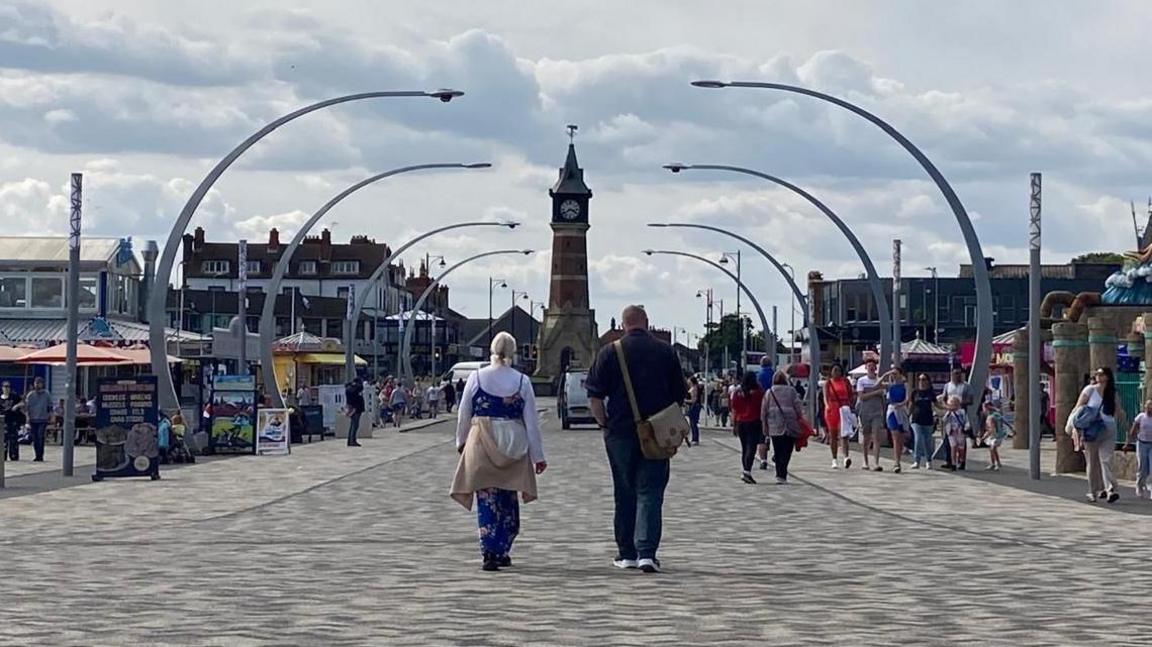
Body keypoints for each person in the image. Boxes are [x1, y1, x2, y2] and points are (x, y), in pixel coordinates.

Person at [587, 305, 686, 574]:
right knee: (651, 492)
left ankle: (626, 553)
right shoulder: (666, 352)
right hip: (656, 433)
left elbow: (594, 396)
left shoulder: (610, 351)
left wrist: (603, 422)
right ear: (647, 322)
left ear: (623, 323)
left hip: (619, 432)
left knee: (624, 491)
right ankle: (647, 553)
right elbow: (680, 395)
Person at [451, 332, 546, 572]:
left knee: (487, 498)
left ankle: (489, 550)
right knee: (507, 498)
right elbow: (532, 422)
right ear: (513, 352)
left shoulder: (476, 378)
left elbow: (464, 414)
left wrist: (461, 443)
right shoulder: (522, 381)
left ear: (491, 350)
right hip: (513, 443)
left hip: (482, 440)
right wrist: (538, 456)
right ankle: (502, 546)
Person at [1073, 366, 1123, 503]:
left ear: (1107, 376)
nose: (1097, 376)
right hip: (1092, 429)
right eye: (1096, 374)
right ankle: (1092, 491)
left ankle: (1111, 488)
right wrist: (1074, 426)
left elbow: (1119, 411)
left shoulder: (1112, 392)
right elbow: (1079, 407)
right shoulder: (1090, 390)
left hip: (1108, 429)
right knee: (1092, 461)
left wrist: (1128, 429)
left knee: (1106, 460)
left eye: (1100, 374)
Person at [761, 370, 804, 484]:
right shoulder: (791, 391)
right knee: (787, 450)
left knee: (778, 449)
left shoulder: (769, 392)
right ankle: (782, 473)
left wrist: (764, 425)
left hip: (774, 425)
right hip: (790, 424)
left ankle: (779, 473)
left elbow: (764, 410)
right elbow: (798, 406)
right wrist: (800, 418)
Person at [729, 371, 765, 483]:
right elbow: (762, 405)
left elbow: (734, 409)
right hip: (754, 421)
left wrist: (734, 425)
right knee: (751, 447)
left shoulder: (738, 392)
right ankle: (747, 471)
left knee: (744, 448)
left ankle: (745, 470)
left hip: (741, 422)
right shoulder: (758, 392)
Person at [855, 359, 886, 471]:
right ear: (866, 368)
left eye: (873, 366)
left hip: (877, 412)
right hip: (865, 411)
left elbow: (883, 397)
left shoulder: (879, 381)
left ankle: (876, 462)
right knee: (866, 437)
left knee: (877, 436)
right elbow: (861, 397)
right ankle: (865, 460)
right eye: (869, 366)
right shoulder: (861, 381)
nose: (871, 368)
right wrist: (875, 392)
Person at [940, 369, 974, 468]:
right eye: (954, 374)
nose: (956, 376)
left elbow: (971, 399)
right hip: (950, 412)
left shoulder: (966, 386)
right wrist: (947, 406)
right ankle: (949, 460)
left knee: (961, 441)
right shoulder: (947, 386)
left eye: (958, 374)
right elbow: (944, 398)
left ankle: (962, 461)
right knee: (948, 437)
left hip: (960, 413)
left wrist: (959, 403)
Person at [823, 364, 853, 469]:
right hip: (832, 409)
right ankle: (834, 459)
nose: (836, 372)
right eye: (834, 370)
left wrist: (849, 405)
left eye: (838, 370)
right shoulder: (828, 383)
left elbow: (850, 394)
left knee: (844, 434)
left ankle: (846, 457)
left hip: (843, 408)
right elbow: (825, 397)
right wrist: (827, 406)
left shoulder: (845, 381)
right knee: (833, 434)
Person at [883, 366, 911, 473]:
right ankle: (896, 462)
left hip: (901, 410)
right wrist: (885, 375)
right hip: (892, 410)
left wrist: (901, 404)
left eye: (895, 373)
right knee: (895, 435)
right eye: (892, 373)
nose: (893, 375)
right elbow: (877, 384)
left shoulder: (905, 385)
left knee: (900, 437)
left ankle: (898, 458)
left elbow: (907, 398)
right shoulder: (889, 385)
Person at [17, 377, 51, 462]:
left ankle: (40, 455)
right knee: (35, 438)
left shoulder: (46, 394)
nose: (37, 384)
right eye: (36, 383)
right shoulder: (30, 395)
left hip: (42, 419)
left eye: (39, 383)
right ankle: (37, 455)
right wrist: (27, 416)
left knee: (40, 437)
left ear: (42, 384)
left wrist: (50, 416)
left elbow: (50, 406)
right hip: (33, 419)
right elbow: (26, 408)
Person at [909, 374, 938, 469]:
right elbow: (911, 405)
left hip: (928, 419)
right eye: (919, 379)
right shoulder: (915, 392)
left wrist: (949, 407)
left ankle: (928, 460)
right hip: (916, 419)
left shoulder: (930, 393)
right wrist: (907, 415)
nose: (921, 381)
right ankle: (916, 460)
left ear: (928, 381)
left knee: (927, 441)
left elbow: (937, 405)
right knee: (918, 438)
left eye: (923, 379)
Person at [1128, 399, 1152, 499]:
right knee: (1142, 467)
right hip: (1142, 444)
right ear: (1145, 407)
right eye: (1148, 406)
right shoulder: (1141, 417)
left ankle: (1151, 488)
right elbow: (1133, 430)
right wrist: (1127, 443)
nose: (1150, 408)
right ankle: (1139, 485)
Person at [941, 396, 968, 471]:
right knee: (953, 447)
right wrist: (948, 413)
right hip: (951, 432)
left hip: (960, 432)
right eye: (951, 403)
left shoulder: (962, 412)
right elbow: (944, 420)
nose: (953, 405)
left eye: (955, 403)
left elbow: (966, 420)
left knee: (961, 449)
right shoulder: (949, 413)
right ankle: (953, 464)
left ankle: (962, 460)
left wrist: (966, 427)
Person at [981, 401, 1007, 471]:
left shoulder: (991, 417)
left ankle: (997, 464)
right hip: (997, 435)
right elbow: (1004, 421)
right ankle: (994, 463)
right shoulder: (996, 415)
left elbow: (991, 429)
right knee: (992, 449)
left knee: (993, 449)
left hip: (995, 435)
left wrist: (983, 437)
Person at [0, 381, 22, 461]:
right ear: (2, 388)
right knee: (3, 440)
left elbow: (23, 403)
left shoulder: (14, 397)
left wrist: (16, 406)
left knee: (13, 440)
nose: (6, 388)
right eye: (5, 387)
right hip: (3, 422)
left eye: (8, 387)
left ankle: (14, 456)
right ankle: (3, 456)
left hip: (13, 421)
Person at [344, 377, 365, 447]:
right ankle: (352, 440)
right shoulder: (355, 389)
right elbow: (360, 389)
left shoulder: (348, 389)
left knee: (352, 425)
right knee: (355, 425)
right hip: (356, 408)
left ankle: (350, 440)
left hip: (351, 407)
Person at [685, 376, 702, 446]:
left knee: (694, 423)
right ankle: (694, 438)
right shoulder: (692, 388)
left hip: (694, 407)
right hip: (692, 406)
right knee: (692, 423)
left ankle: (695, 439)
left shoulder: (694, 389)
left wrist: (685, 400)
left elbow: (693, 400)